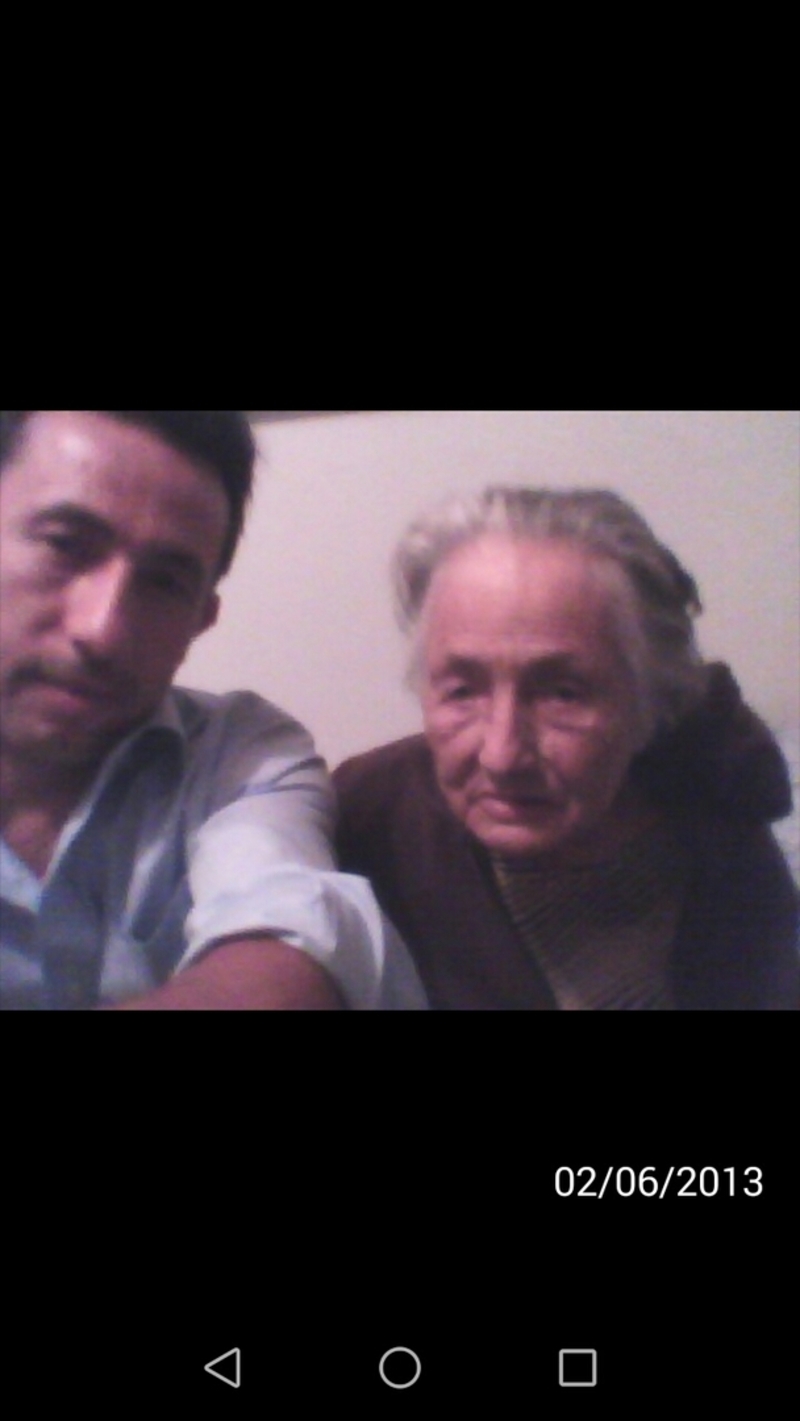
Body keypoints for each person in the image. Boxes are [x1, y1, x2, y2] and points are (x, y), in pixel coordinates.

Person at [0, 410, 427, 1010]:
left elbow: (290, 949)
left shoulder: (238, 752)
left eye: (164, 583)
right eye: (64, 546)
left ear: (200, 620)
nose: (103, 631)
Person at [334, 487, 799, 1009]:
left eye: (563, 694)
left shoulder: (721, 823)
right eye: (462, 691)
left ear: (648, 701)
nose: (501, 756)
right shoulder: (366, 818)